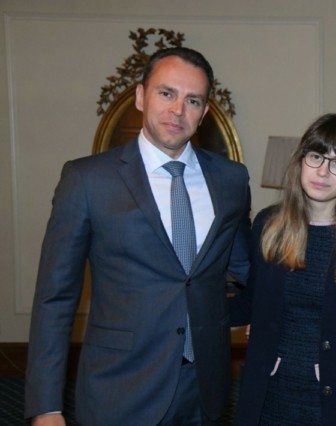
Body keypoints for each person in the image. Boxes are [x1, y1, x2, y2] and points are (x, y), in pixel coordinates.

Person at [24, 47, 251, 426]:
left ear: (204, 113)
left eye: (192, 100)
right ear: (141, 96)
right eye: (166, 93)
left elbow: (246, 268)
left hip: (204, 390)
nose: (178, 110)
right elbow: (54, 298)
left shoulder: (231, 179)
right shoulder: (87, 180)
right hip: (121, 389)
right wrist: (46, 407)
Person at [228, 113, 336, 425]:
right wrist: (194, 305)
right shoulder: (269, 225)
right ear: (301, 160)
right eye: (316, 156)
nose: (323, 171)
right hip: (270, 397)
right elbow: (252, 301)